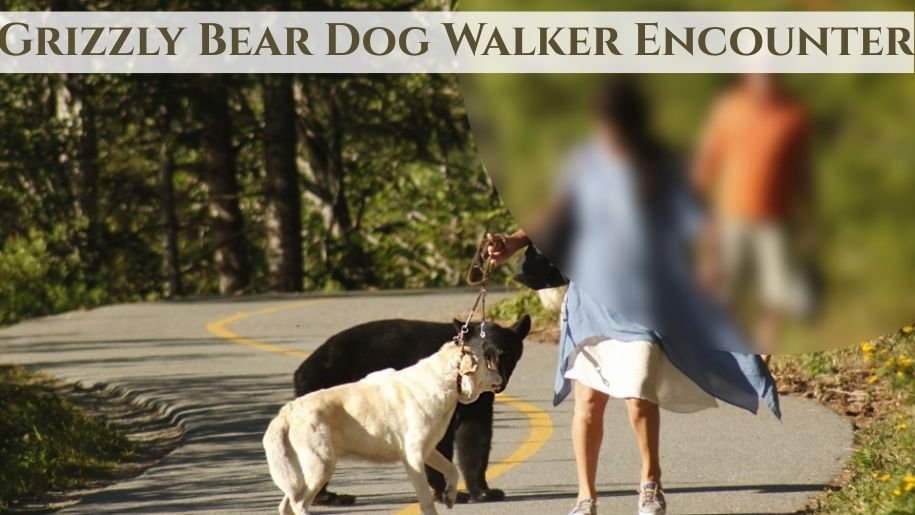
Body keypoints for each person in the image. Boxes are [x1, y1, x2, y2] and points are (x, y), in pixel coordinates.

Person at [487, 78, 780, 515]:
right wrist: (513, 241)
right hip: (590, 302)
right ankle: (585, 497)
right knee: (588, 402)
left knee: (638, 393)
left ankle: (650, 481)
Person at [693, 74, 813, 358]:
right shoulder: (729, 109)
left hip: (776, 221)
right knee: (725, 293)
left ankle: (760, 359)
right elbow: (708, 162)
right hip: (731, 217)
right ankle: (730, 357)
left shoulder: (794, 115)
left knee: (775, 296)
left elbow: (801, 169)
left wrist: (808, 217)